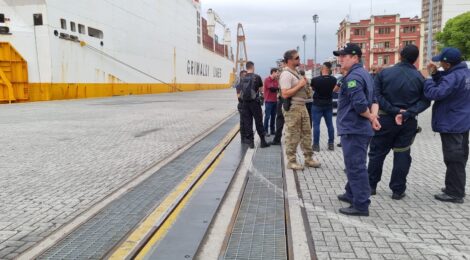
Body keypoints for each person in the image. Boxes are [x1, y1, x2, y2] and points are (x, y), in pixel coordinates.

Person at [367, 44, 431, 200]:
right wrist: (407, 112)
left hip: (385, 119)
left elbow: (376, 96)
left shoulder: (384, 73)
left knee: (377, 154)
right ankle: (397, 190)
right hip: (407, 121)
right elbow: (426, 101)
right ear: (416, 59)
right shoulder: (420, 78)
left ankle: (370, 186)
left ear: (400, 55)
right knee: (402, 154)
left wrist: (394, 111)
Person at [333, 43, 381, 216]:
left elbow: (360, 104)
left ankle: (361, 204)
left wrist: (369, 116)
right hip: (361, 128)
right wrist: (373, 117)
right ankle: (351, 192)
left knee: (355, 166)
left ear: (355, 57)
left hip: (354, 128)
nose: (340, 59)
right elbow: (375, 99)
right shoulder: (366, 74)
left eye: (343, 56)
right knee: (355, 163)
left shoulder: (353, 77)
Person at [424, 47, 470, 204]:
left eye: (442, 62)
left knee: (453, 157)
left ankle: (455, 193)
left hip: (452, 122)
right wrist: (437, 74)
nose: (440, 64)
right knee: (461, 155)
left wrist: (430, 78)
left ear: (448, 64)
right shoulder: (464, 73)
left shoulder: (454, 77)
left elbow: (435, 94)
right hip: (463, 121)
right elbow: (447, 83)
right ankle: (455, 186)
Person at [280, 49, 321, 170]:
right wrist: (300, 85)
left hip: (302, 106)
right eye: (296, 58)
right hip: (293, 108)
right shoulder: (286, 74)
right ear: (289, 60)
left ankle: (308, 158)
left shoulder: (296, 72)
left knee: (307, 133)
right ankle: (291, 161)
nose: (299, 59)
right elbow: (285, 94)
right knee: (293, 135)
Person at [239, 61, 270, 149]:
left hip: (245, 103)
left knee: (248, 123)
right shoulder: (257, 77)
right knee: (258, 121)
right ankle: (263, 142)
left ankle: (251, 143)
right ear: (252, 67)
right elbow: (260, 90)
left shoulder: (243, 78)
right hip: (255, 103)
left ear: (246, 67)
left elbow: (241, 91)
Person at [310, 62, 338, 151]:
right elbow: (334, 90)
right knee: (330, 125)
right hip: (328, 104)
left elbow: (313, 89)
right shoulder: (334, 80)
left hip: (317, 104)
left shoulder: (315, 80)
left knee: (316, 125)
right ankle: (331, 144)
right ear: (329, 69)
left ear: (323, 69)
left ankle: (316, 145)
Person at [263, 68, 280, 136]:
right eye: (277, 73)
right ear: (273, 72)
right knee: (267, 116)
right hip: (268, 101)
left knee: (273, 116)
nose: (277, 74)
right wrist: (279, 88)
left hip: (274, 101)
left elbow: (277, 89)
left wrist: (278, 88)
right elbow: (272, 89)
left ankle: (272, 130)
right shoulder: (267, 80)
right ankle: (265, 131)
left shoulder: (276, 80)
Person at [236, 70, 248, 143]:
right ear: (241, 76)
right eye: (244, 75)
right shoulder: (239, 86)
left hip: (246, 105)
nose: (245, 77)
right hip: (242, 105)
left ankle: (246, 136)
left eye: (246, 75)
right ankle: (243, 138)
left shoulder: (247, 84)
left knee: (247, 122)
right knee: (243, 122)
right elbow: (239, 97)